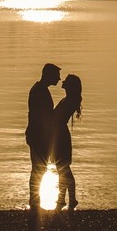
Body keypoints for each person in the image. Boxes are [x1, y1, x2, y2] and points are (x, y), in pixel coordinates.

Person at [25, 62, 60, 210]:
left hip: (36, 134)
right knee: (38, 169)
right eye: (56, 76)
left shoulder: (40, 89)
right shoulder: (40, 91)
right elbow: (42, 116)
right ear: (49, 75)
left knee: (39, 168)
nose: (59, 79)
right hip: (38, 135)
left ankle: (35, 200)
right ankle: (34, 201)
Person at [50, 73, 83, 210]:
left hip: (60, 137)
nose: (62, 81)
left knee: (64, 170)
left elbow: (57, 117)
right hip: (59, 135)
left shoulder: (69, 101)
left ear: (69, 86)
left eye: (66, 81)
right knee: (62, 169)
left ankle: (70, 199)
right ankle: (63, 199)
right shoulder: (68, 100)